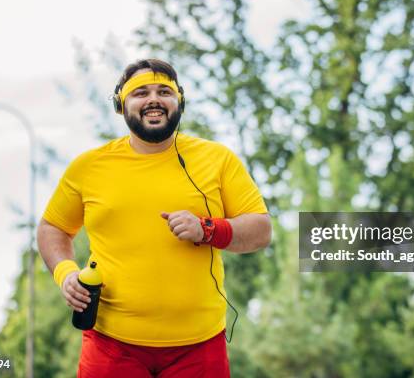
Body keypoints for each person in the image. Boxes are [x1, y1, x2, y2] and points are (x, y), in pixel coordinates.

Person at [37, 58, 271, 378]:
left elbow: (261, 230)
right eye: (140, 93)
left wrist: (207, 229)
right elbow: (53, 227)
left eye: (164, 91)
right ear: (121, 104)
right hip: (110, 344)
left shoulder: (218, 159)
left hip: (200, 346)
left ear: (179, 103)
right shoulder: (88, 167)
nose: (153, 99)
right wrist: (65, 274)